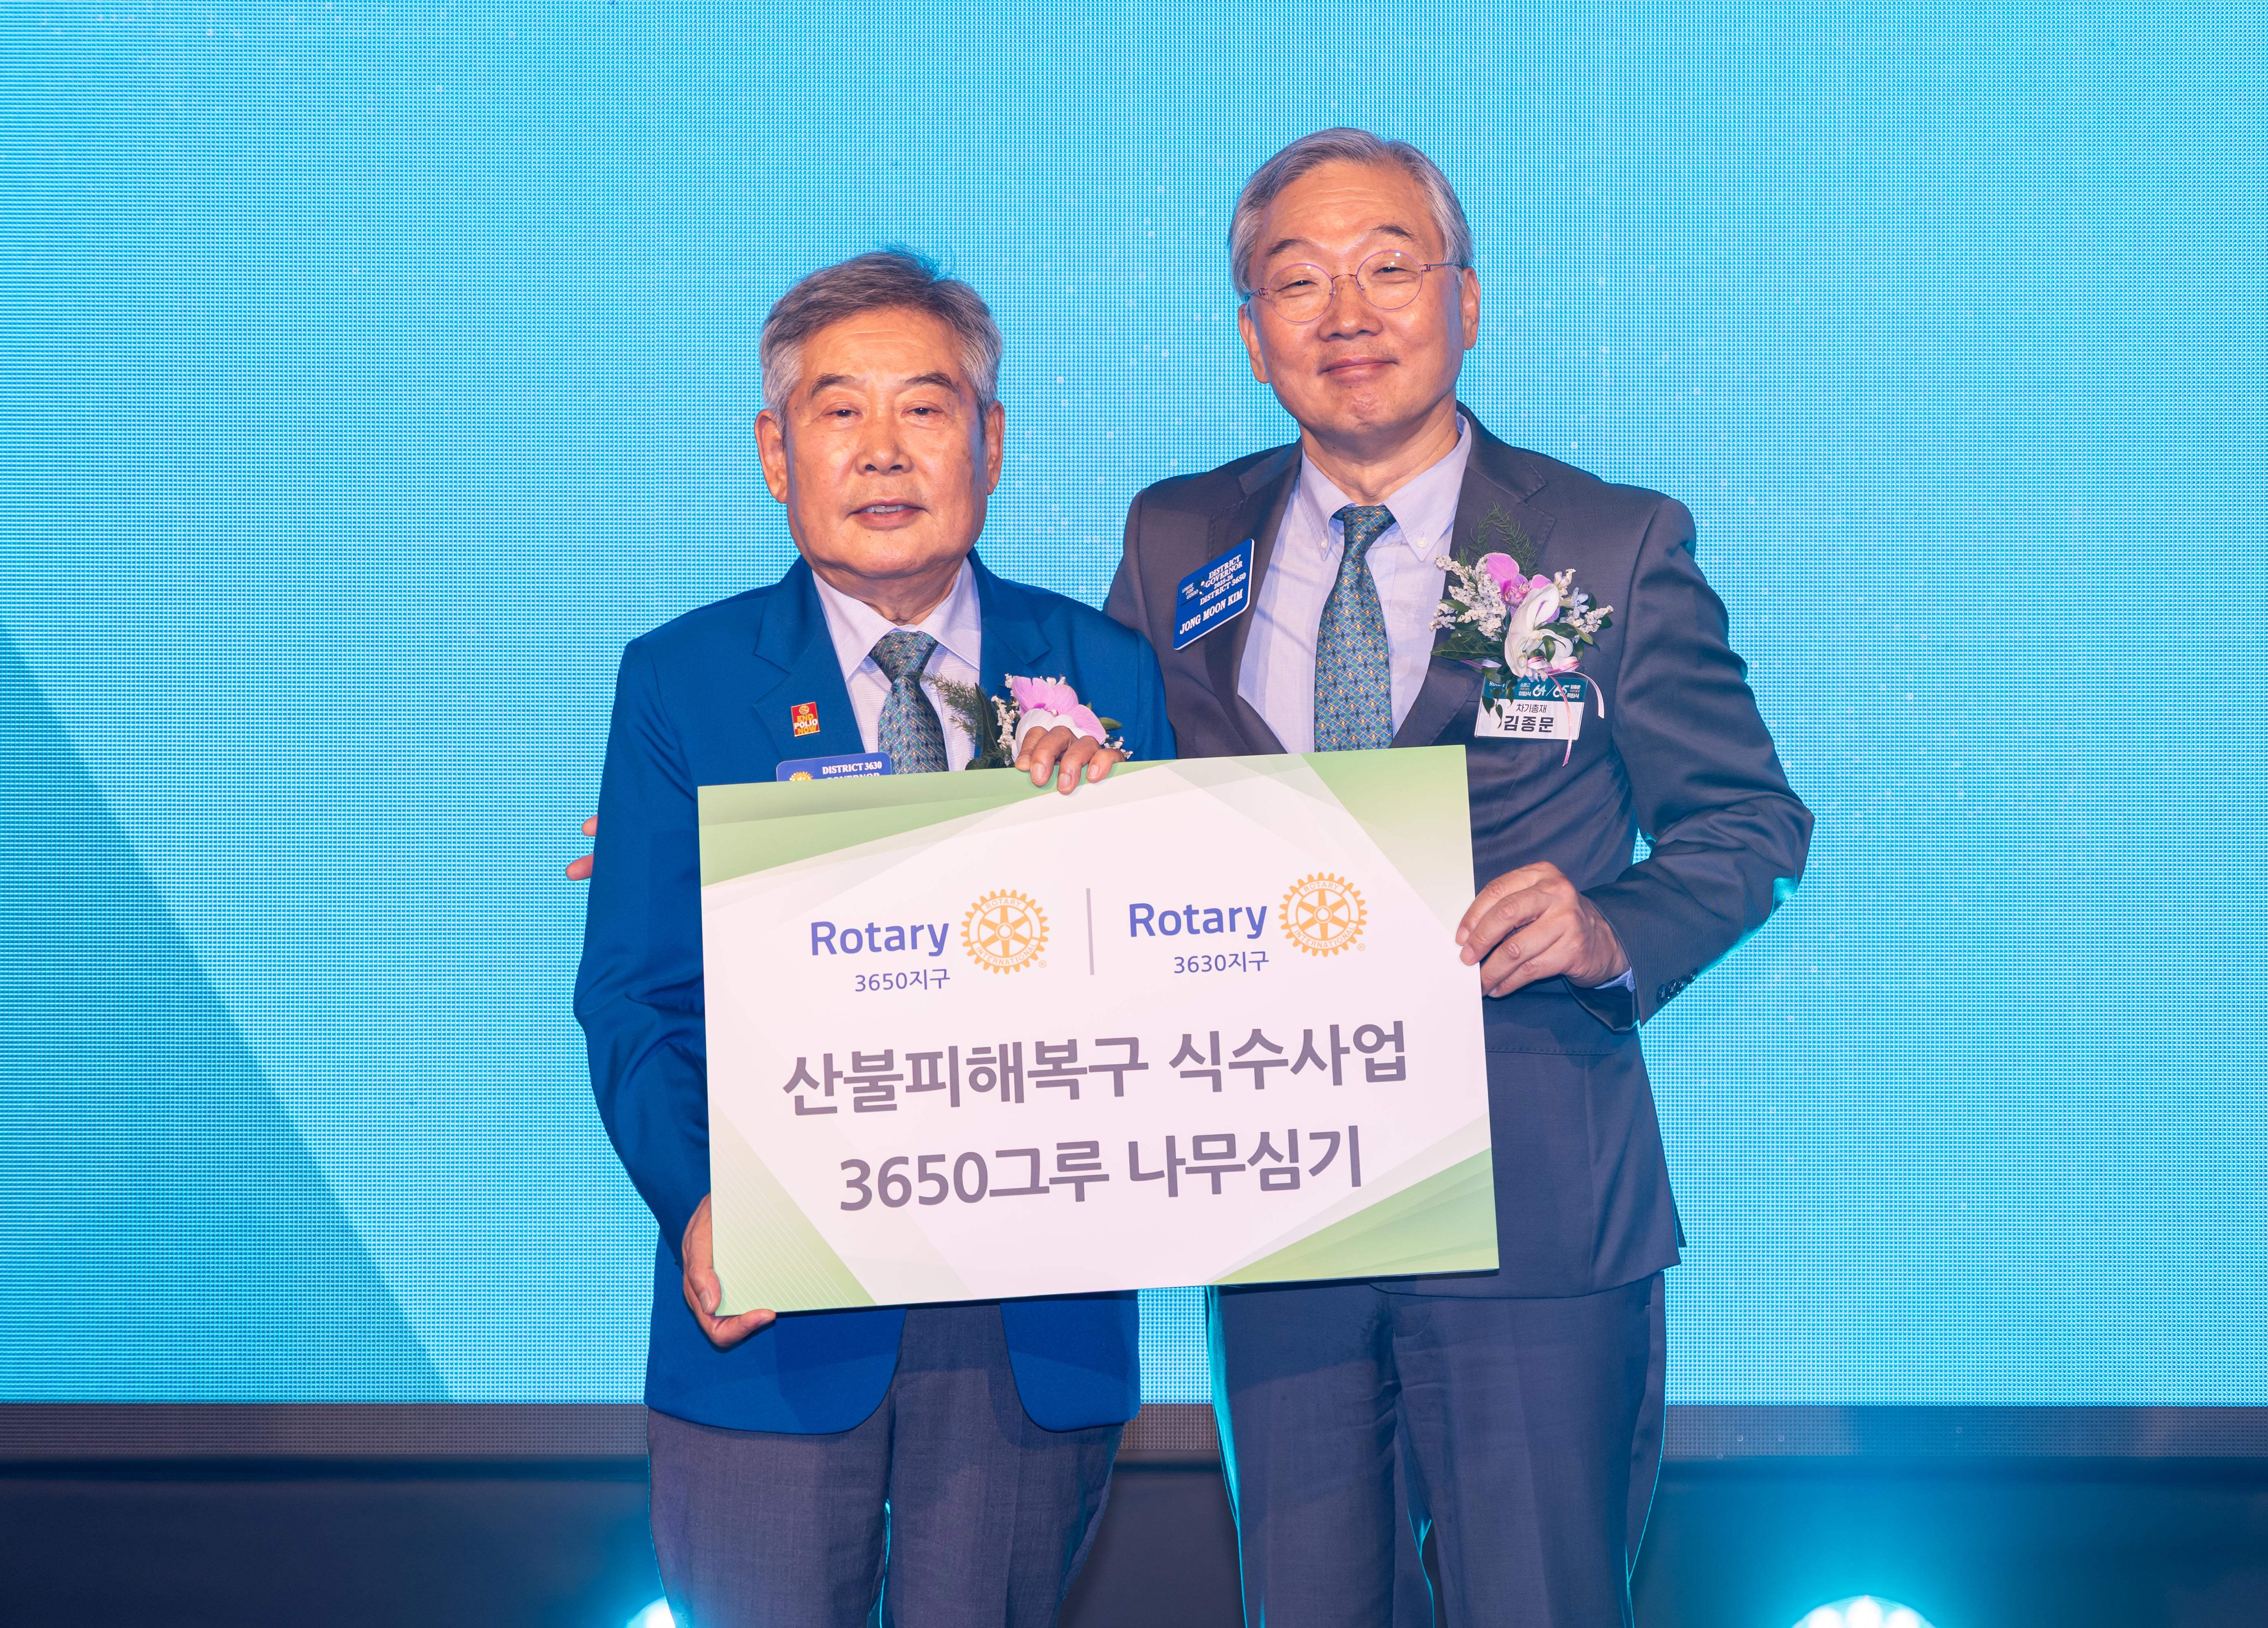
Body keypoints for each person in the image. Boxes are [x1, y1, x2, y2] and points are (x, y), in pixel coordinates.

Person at [1102, 130, 1812, 1626]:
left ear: (1466, 301)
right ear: (1252, 334)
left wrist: (1608, 925)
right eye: (1298, 281)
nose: (1346, 313)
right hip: (1282, 1193)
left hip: (1532, 1202)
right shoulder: (1177, 540)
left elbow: (1749, 824)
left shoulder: (1609, 541)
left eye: (1387, 267)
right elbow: (1113, 811)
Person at [575, 249, 1174, 1628]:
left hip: (1030, 1323)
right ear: (775, 453)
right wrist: (701, 1204)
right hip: (773, 1313)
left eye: (927, 407)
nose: (885, 451)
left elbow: (1177, 975)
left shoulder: (1105, 670)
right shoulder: (682, 679)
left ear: (992, 443)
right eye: (841, 411)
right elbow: (636, 997)